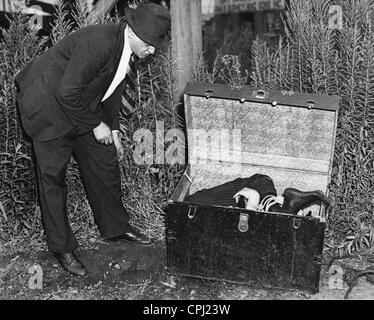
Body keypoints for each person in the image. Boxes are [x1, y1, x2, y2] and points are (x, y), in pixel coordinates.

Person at [14, 2, 171, 277]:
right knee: (52, 179)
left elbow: (110, 89)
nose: (153, 50)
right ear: (133, 32)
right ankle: (61, 247)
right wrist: (96, 124)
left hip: (79, 105)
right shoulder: (99, 43)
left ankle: (115, 228)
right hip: (47, 106)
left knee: (104, 159)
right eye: (150, 43)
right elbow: (66, 92)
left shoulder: (125, 48)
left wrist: (111, 128)